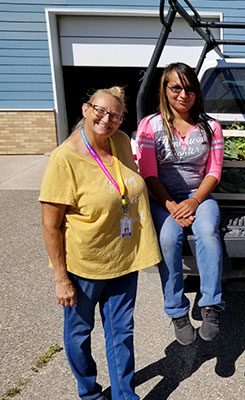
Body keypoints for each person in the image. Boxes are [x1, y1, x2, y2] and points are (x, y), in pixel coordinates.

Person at [39, 86, 161, 400]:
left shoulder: (120, 142)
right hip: (84, 267)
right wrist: (60, 278)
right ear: (85, 109)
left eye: (116, 116)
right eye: (101, 110)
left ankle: (124, 394)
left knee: (122, 334)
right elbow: (51, 225)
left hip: (123, 260)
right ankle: (90, 392)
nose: (107, 119)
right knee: (79, 335)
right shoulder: (64, 158)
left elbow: (130, 189)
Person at [136, 62, 225, 345]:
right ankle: (177, 311)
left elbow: (214, 172)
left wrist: (195, 201)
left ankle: (211, 306)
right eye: (176, 87)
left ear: (197, 92)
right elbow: (148, 173)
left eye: (189, 88)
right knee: (167, 238)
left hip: (199, 196)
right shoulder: (150, 126)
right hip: (163, 198)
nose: (183, 94)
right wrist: (173, 207)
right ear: (164, 90)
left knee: (208, 232)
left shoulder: (210, 127)